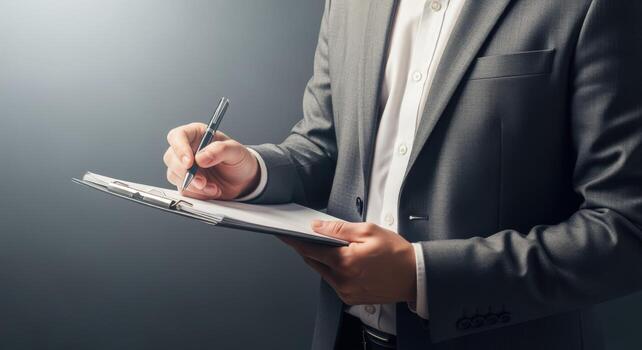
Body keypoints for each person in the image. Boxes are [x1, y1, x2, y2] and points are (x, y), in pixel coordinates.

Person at [163, 0, 642, 349]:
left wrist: (423, 277)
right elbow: (325, 145)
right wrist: (252, 173)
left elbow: (625, 228)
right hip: (344, 336)